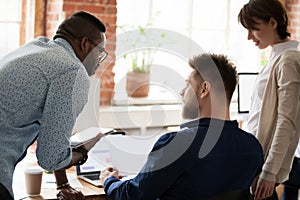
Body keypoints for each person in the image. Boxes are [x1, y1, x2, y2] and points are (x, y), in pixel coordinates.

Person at [100, 53, 264, 200]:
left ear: (204, 89)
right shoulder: (253, 148)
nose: (181, 92)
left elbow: (133, 195)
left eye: (187, 85)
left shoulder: (177, 145)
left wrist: (108, 180)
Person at [0, 11, 108, 199]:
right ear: (84, 44)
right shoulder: (73, 72)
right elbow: (50, 158)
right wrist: (83, 151)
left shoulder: (35, 48)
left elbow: (52, 128)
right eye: (100, 52)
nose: (100, 61)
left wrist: (62, 183)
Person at [238, 0, 300, 199]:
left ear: (273, 23)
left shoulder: (288, 60)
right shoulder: (275, 58)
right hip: (255, 157)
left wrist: (270, 172)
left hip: (263, 162)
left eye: (253, 28)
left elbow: (286, 120)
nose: (249, 37)